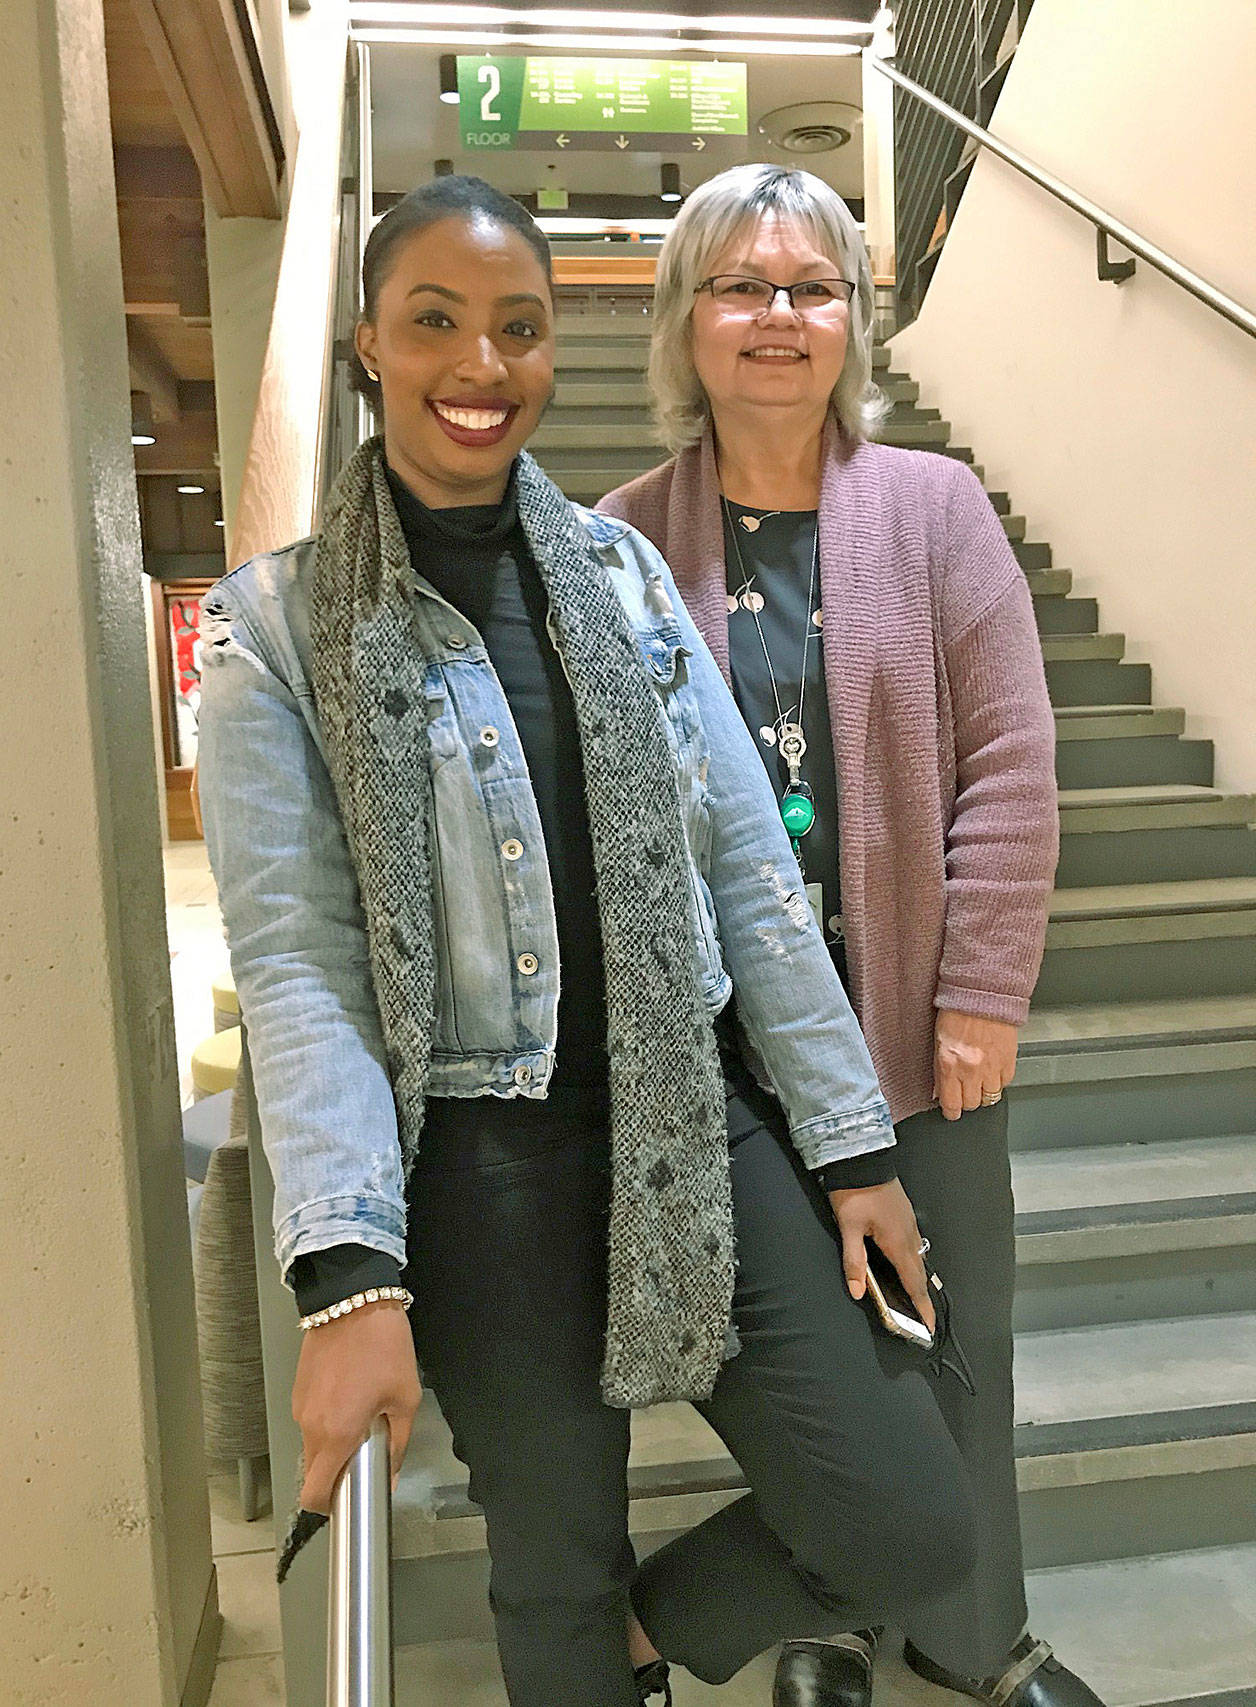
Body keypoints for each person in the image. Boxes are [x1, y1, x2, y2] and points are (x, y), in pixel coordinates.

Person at [197, 174, 979, 1707]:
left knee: (905, 1516)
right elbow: (301, 965)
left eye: (519, 328)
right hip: (481, 1173)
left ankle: (648, 1641)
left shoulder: (618, 575)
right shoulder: (275, 632)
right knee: (550, 1571)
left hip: (691, 1123)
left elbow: (752, 879)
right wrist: (351, 1276)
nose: (479, 364)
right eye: (435, 322)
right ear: (367, 341)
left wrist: (849, 1148)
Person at [599, 163, 1102, 1707]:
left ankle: (973, 1646)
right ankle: (817, 1631)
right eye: (742, 287)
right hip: (737, 1069)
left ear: (854, 323)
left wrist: (983, 988)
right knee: (841, 1396)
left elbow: (1012, 763)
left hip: (916, 1042)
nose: (777, 318)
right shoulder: (620, 544)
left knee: (960, 1364)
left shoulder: (935, 509)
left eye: (811, 288)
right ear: (687, 322)